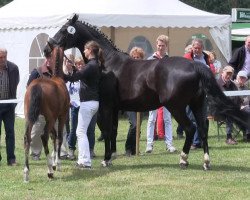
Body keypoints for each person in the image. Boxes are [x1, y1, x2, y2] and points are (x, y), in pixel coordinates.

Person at [63, 41, 103, 169]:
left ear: (90, 50)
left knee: (80, 132)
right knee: (82, 131)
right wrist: (73, 68)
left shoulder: (91, 65)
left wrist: (62, 73)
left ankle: (85, 161)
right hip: (92, 102)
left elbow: (75, 77)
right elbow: (81, 74)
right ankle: (82, 160)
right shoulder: (95, 64)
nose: (84, 51)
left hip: (88, 103)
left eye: (85, 49)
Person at [27, 51, 68, 160]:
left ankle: (61, 151)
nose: (51, 60)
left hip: (56, 108)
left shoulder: (58, 74)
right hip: (41, 106)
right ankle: (35, 152)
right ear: (46, 59)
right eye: (49, 58)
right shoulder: (37, 72)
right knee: (37, 129)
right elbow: (29, 87)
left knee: (60, 128)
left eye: (53, 58)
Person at [145, 35, 176, 153]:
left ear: (166, 46)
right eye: (159, 45)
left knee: (167, 118)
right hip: (153, 93)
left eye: (162, 45)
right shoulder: (150, 59)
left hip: (166, 93)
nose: (160, 47)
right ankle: (149, 145)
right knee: (151, 118)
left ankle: (169, 144)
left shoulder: (169, 60)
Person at [183, 38, 214, 149]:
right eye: (194, 48)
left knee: (203, 117)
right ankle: (195, 142)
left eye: (198, 48)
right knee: (191, 118)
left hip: (204, 92)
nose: (196, 50)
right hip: (190, 93)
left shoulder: (207, 58)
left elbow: (212, 72)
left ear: (202, 48)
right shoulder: (187, 58)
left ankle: (201, 140)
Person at [65, 56, 97, 160]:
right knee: (74, 129)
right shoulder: (73, 76)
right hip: (75, 106)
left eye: (81, 64)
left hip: (87, 104)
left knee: (90, 129)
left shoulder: (87, 75)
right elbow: (67, 89)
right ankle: (71, 149)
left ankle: (90, 149)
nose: (80, 66)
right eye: (78, 64)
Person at [0, 47, 19, 166]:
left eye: (4, 57)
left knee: (10, 132)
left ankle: (11, 159)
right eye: (0, 57)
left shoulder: (13, 68)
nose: (2, 59)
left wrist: (12, 101)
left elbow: (15, 84)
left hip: (8, 105)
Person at [124, 47, 145, 156]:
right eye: (134, 57)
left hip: (140, 101)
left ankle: (135, 149)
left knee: (138, 126)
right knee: (134, 124)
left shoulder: (144, 70)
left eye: (138, 57)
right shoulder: (128, 70)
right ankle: (128, 148)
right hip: (129, 101)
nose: (136, 59)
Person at [217, 66, 241, 145]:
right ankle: (229, 137)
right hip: (218, 110)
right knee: (229, 114)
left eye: (230, 74)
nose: (228, 76)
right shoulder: (217, 84)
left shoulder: (233, 85)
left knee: (247, 110)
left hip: (232, 108)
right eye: (227, 73)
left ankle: (247, 135)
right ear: (222, 73)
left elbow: (237, 97)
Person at [233, 70, 250, 142]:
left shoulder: (246, 87)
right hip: (235, 109)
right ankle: (248, 134)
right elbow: (231, 99)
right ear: (237, 77)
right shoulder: (232, 85)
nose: (242, 79)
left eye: (244, 78)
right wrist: (239, 106)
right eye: (241, 77)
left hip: (246, 108)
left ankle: (247, 133)